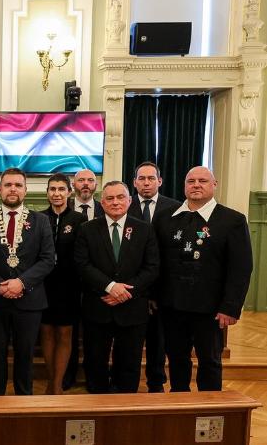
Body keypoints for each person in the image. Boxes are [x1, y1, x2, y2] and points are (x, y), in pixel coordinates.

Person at [155, 166, 253, 392]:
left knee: (209, 361)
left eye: (202, 181)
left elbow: (241, 267)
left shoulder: (233, 220)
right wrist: (154, 297)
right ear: (184, 186)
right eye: (191, 181)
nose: (196, 185)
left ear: (214, 185)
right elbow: (157, 262)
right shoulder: (165, 218)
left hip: (211, 309)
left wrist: (230, 306)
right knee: (176, 358)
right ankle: (180, 402)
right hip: (172, 305)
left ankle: (210, 410)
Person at [74, 181, 159, 393]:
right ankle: (98, 398)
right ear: (102, 203)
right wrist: (110, 287)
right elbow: (82, 265)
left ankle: (125, 400)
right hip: (98, 305)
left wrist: (125, 292)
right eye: (110, 198)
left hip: (133, 307)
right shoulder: (87, 229)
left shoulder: (145, 229)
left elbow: (152, 267)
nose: (115, 202)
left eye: (120, 197)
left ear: (129, 201)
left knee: (129, 359)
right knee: (95, 359)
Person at [0, 167, 54, 395]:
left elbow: (48, 260)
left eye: (18, 185)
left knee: (25, 354)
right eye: (8, 184)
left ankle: (24, 401)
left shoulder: (40, 221)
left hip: (29, 300)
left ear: (25, 190)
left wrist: (22, 282)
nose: (13, 189)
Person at [128, 161, 179, 393]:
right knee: (132, 339)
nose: (146, 183)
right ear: (134, 182)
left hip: (162, 288)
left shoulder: (176, 208)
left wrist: (156, 293)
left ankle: (156, 383)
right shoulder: (124, 205)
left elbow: (172, 254)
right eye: (141, 178)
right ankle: (126, 380)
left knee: (158, 340)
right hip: (131, 287)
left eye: (151, 178)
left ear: (159, 181)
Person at [39, 173, 86, 394]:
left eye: (61, 189)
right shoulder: (37, 218)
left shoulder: (79, 219)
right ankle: (51, 380)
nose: (56, 193)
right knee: (47, 332)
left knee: (65, 333)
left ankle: (57, 384)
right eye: (52, 189)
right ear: (47, 193)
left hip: (69, 286)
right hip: (43, 285)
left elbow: (83, 255)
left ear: (69, 192)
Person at [64, 168, 103, 390]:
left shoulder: (104, 208)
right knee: (70, 332)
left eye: (90, 180)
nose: (86, 184)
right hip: (69, 282)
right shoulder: (64, 209)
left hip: (97, 283)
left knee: (93, 334)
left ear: (96, 185)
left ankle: (92, 375)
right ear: (73, 185)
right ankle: (68, 374)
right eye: (81, 181)